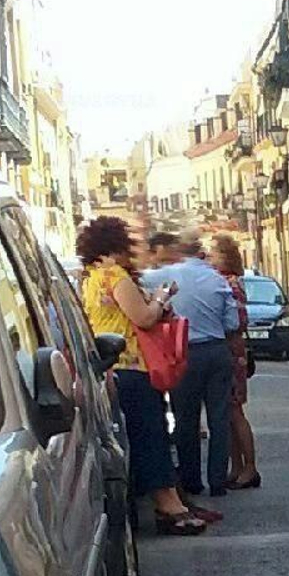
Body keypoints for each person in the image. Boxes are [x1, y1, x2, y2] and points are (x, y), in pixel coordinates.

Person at [78, 216, 206, 535]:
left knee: (130, 437)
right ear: (116, 245)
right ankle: (168, 505)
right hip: (132, 365)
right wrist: (162, 297)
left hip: (109, 367)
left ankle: (152, 501)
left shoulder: (91, 277)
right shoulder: (115, 276)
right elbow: (144, 318)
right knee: (152, 435)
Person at [149, 230, 239, 505]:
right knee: (219, 418)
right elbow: (232, 324)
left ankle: (191, 480)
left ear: (180, 251)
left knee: (185, 419)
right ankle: (218, 481)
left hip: (182, 353)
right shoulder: (218, 280)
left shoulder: (163, 276)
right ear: (202, 253)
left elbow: (137, 285)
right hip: (216, 350)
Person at [212, 234, 260, 491]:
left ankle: (249, 467)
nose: (210, 257)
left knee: (235, 411)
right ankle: (237, 466)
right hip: (229, 349)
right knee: (227, 412)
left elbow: (237, 320)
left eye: (214, 253)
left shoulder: (230, 284)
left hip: (232, 350)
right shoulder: (224, 282)